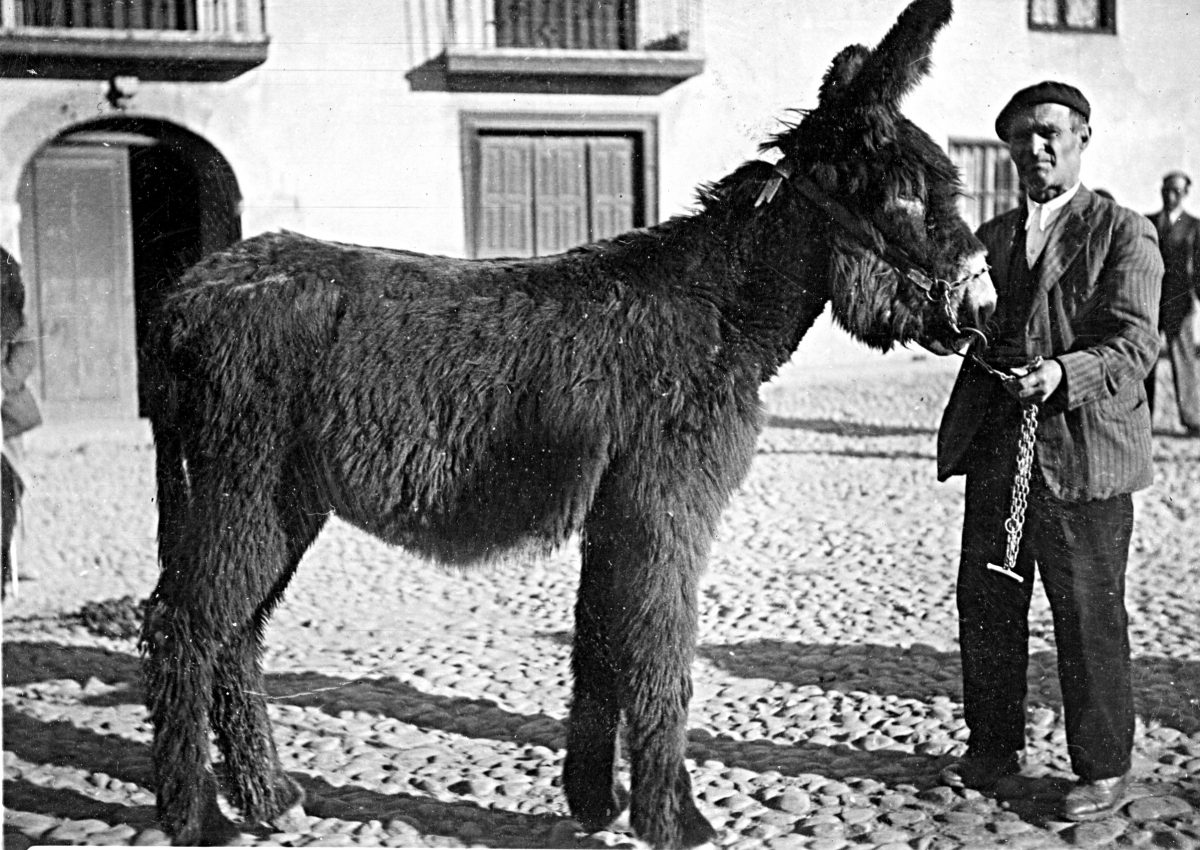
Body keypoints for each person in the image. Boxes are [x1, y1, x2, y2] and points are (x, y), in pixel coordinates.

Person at [936, 82, 1163, 821]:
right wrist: (946, 320)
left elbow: (1134, 343)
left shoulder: (1122, 231)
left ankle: (1103, 768)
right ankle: (993, 751)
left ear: (1083, 138)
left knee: (1088, 616)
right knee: (989, 606)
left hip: (1081, 458)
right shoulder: (992, 240)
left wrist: (1065, 373)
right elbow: (968, 334)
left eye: (1048, 134)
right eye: (1018, 140)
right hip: (1000, 454)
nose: (1033, 149)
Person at [1145, 171, 1200, 435]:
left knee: (1184, 361)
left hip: (1180, 304)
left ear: (1185, 194)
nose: (1170, 196)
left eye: (1176, 191)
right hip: (1151, 302)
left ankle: (1192, 418)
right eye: (1167, 190)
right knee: (1145, 359)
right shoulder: (1148, 223)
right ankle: (1143, 419)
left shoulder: (1194, 225)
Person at [2, 247, 42, 599]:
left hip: (4, 408)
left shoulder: (4, 277)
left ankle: (18, 557)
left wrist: (3, 382)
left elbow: (25, 348)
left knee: (13, 480)